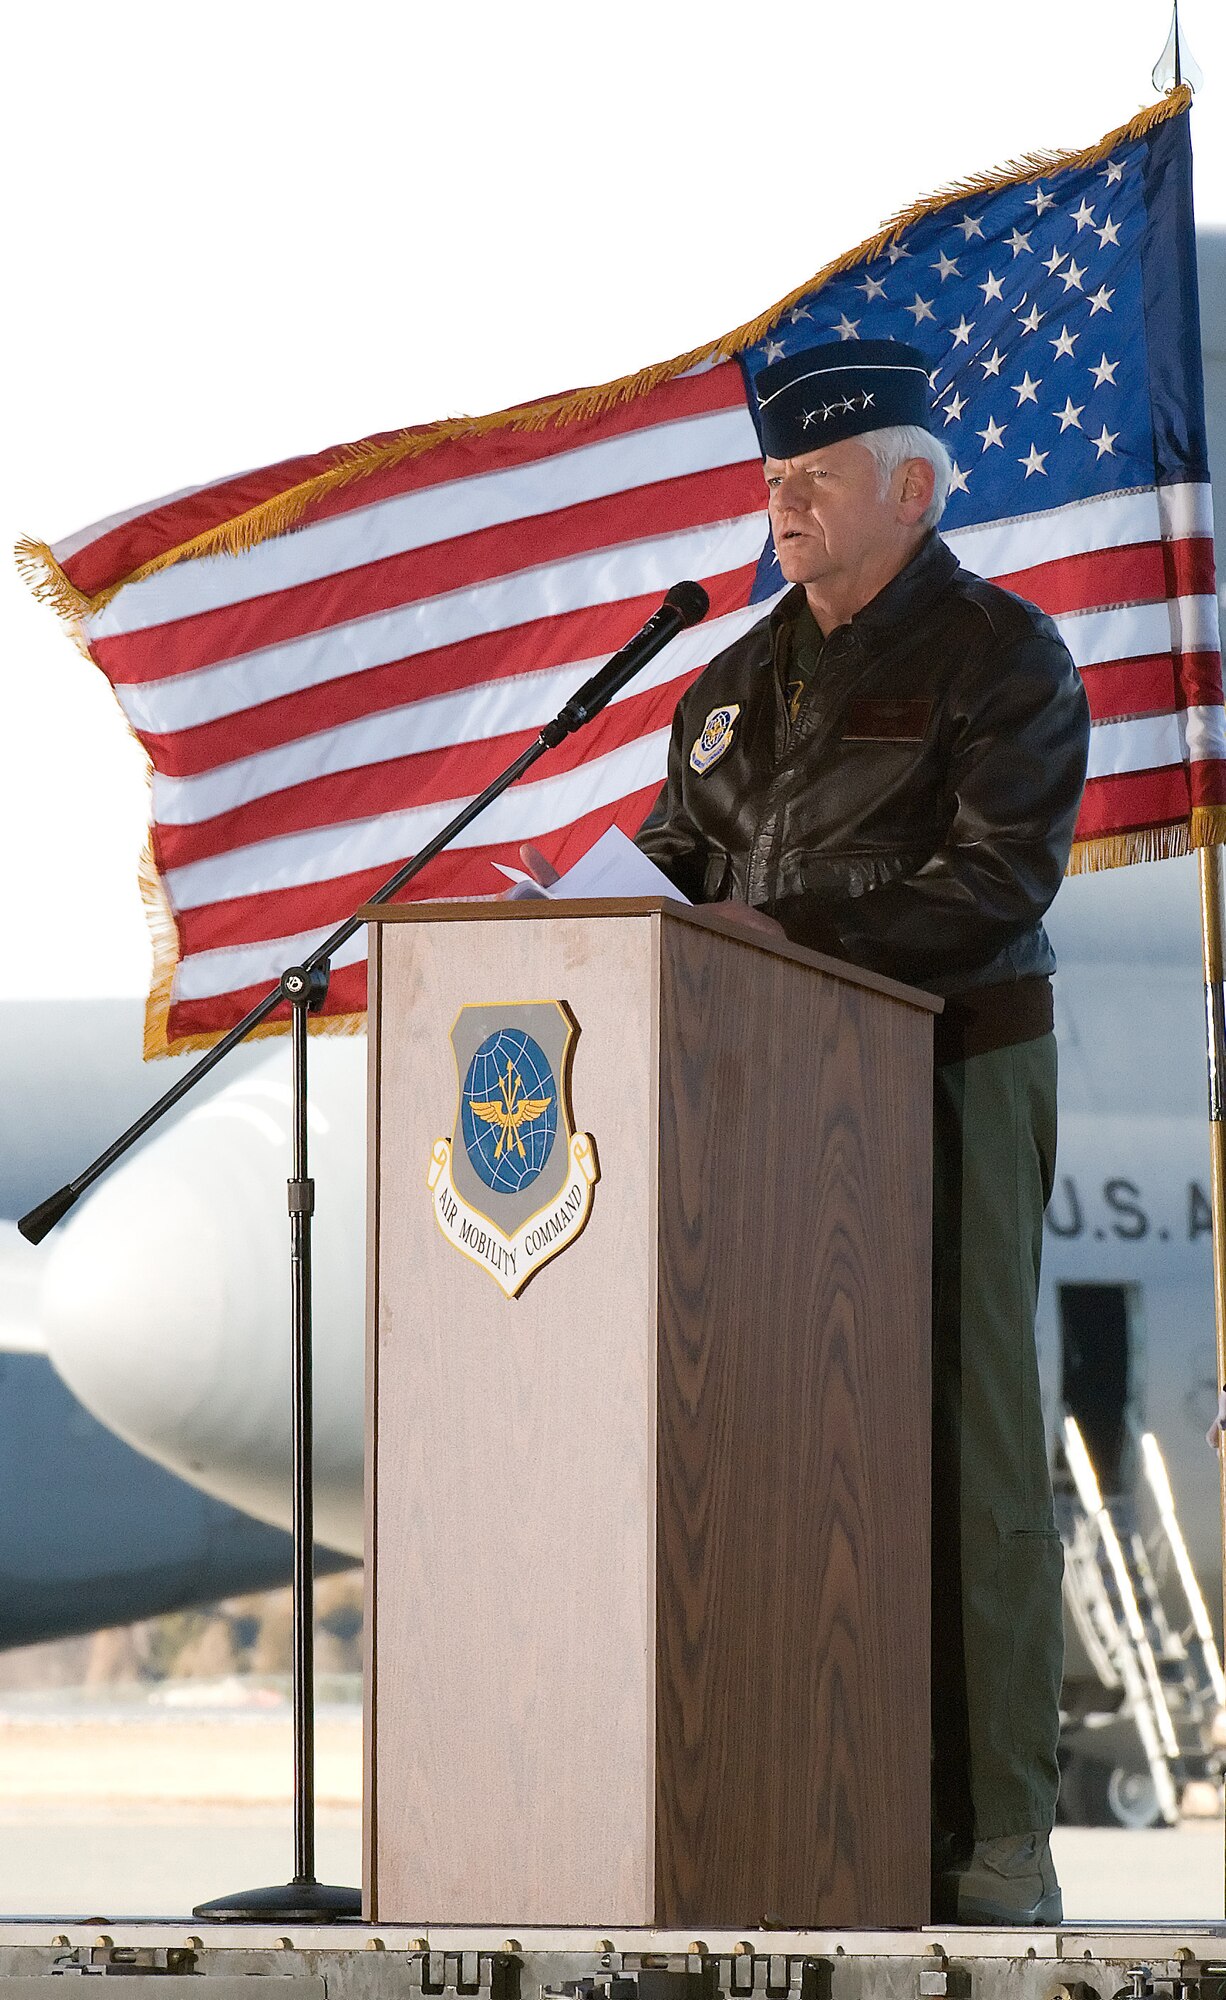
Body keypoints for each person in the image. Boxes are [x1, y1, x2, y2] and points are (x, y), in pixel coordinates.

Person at [629, 340, 1091, 1924]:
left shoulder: (1001, 659)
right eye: (770, 483)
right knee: (763, 1449)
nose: (781, 510)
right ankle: (785, 1806)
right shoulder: (732, 683)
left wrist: (783, 941)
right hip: (753, 1106)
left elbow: (989, 888)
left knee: (960, 1454)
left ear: (907, 486)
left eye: (810, 482)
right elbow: (678, 872)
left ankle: (992, 1837)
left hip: (949, 1074)